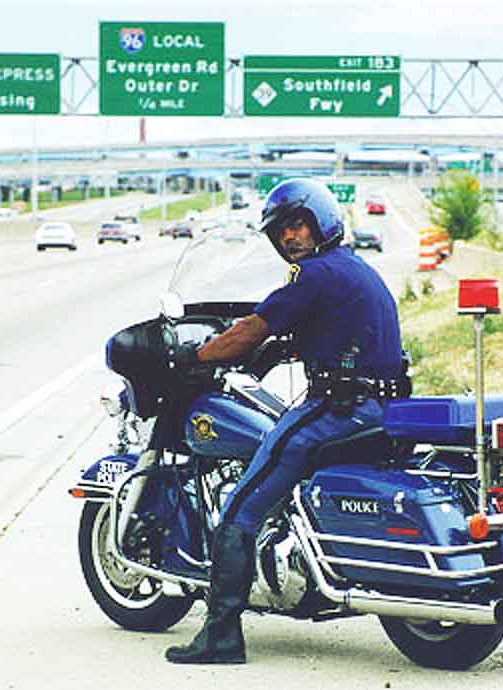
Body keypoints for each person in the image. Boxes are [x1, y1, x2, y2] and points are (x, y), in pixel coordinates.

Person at [165, 178, 409, 665]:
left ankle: (220, 636)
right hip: (386, 408)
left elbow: (253, 328)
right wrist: (280, 350)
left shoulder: (312, 275)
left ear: (322, 223)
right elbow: (317, 334)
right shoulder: (354, 270)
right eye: (282, 232)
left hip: (337, 410)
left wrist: (198, 355)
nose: (291, 237)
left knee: (240, 506)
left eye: (299, 225)